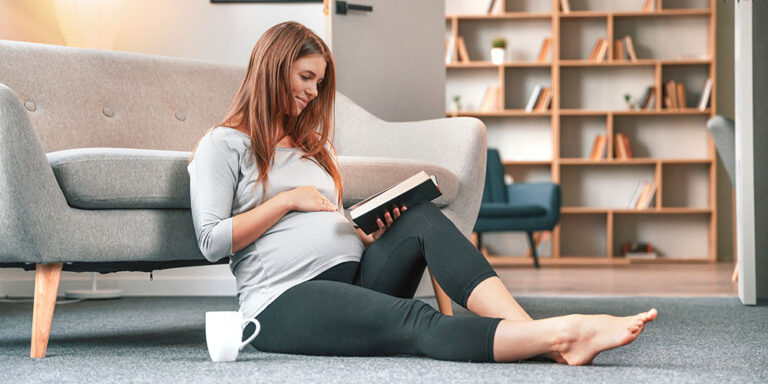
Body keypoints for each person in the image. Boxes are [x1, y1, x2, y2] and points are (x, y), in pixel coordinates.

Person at [187, 21, 657, 365]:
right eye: (305, 78)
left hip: (354, 274)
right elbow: (211, 241)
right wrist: (286, 200)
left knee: (424, 218)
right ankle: (562, 334)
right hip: (284, 299)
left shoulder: (314, 147)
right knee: (414, 321)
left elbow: (324, 221)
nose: (313, 92)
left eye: (319, 82)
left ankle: (531, 331)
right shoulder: (224, 144)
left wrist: (361, 233)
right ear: (273, 68)